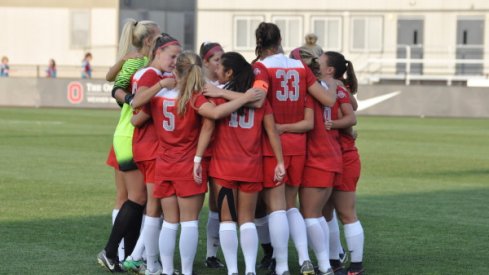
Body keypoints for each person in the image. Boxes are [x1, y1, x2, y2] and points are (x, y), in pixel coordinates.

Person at [131, 51, 262, 275]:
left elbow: (135, 111)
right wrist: (245, 97)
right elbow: (217, 113)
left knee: (170, 223)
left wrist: (160, 84)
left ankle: (166, 270)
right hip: (188, 164)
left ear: (176, 70)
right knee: (189, 222)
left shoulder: (160, 94)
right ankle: (187, 271)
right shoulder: (193, 97)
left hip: (164, 162)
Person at [204, 51, 285, 275]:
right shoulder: (258, 99)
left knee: (227, 221)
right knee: (247, 220)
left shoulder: (218, 95)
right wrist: (280, 162)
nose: (216, 69)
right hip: (251, 166)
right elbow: (272, 133)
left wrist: (198, 157)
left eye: (220, 67)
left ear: (229, 72)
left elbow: (209, 125)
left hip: (224, 167)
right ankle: (249, 269)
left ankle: (232, 271)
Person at [97, 19, 161, 273]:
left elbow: (114, 82)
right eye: (159, 39)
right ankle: (114, 252)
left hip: (132, 134)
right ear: (148, 41)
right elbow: (116, 87)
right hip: (131, 135)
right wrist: (135, 100)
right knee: (136, 198)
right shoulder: (140, 63)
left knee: (138, 199)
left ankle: (130, 255)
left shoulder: (143, 63)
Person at [289, 46, 341, 275]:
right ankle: (331, 258)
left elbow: (309, 123)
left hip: (317, 157)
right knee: (317, 214)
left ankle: (325, 265)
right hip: (329, 154)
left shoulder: (310, 89)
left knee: (309, 214)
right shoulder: (324, 86)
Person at [320, 51, 365, 275]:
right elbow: (353, 105)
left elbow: (351, 116)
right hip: (328, 156)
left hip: (344, 156)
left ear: (330, 69)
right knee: (324, 212)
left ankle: (356, 267)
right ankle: (333, 262)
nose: (315, 63)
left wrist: (333, 124)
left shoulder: (334, 86)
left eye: (320, 61)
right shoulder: (330, 85)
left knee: (346, 213)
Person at [198, 41, 226, 269]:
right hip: (199, 151)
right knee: (188, 207)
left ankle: (211, 254)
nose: (220, 64)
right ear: (205, 62)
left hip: (219, 151)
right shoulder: (199, 85)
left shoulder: (226, 84)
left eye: (222, 59)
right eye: (216, 59)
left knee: (217, 205)